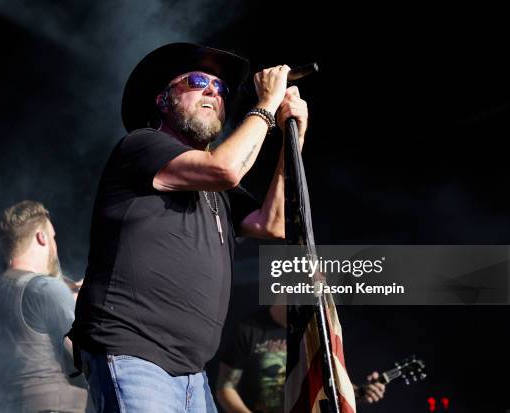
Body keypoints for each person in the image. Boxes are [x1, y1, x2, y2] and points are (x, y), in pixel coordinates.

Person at [68, 42, 308, 413]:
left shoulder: (218, 191)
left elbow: (273, 223)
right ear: (163, 101)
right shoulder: (142, 146)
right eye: (198, 81)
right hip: (134, 353)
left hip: (192, 374)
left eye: (222, 88)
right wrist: (266, 104)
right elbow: (225, 169)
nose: (214, 90)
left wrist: (295, 136)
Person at [0, 200, 88, 413]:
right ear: (42, 237)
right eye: (53, 237)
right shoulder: (45, 289)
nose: (55, 247)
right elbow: (88, 354)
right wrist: (87, 306)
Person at [216, 305, 386, 413]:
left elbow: (322, 380)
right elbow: (225, 388)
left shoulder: (313, 332)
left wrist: (357, 391)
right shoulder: (249, 329)